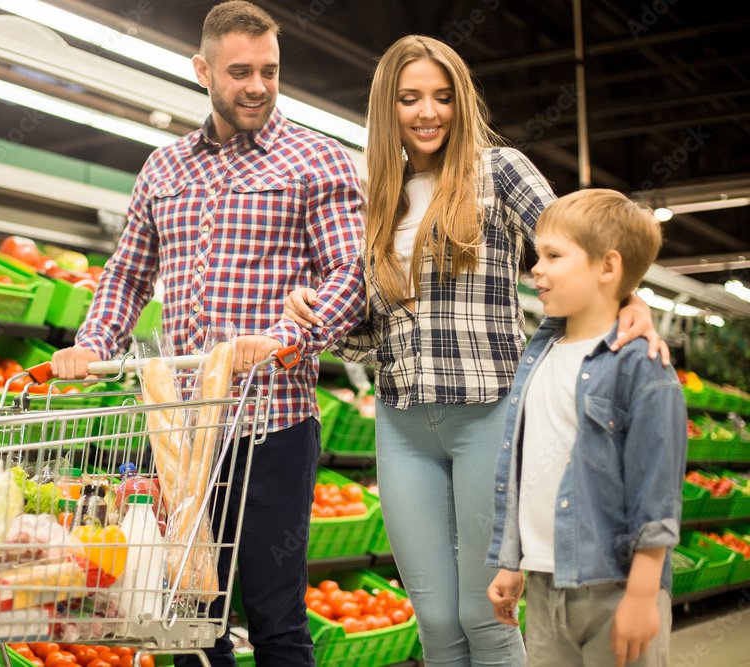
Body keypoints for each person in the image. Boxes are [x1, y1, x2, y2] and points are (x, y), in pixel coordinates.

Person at [282, 35, 664, 666]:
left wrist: (629, 297)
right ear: (389, 108)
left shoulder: (500, 170)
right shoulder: (380, 194)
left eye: (441, 97)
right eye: (409, 99)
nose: (427, 112)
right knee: (433, 616)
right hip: (403, 424)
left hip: (489, 414)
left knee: (483, 613)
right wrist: (313, 320)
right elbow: (376, 334)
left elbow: (576, 242)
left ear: (461, 102)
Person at [52, 2, 366, 664]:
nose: (256, 86)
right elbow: (127, 274)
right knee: (194, 615)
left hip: (271, 425)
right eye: (240, 71)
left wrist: (290, 338)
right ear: (203, 70)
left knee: (276, 613)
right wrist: (92, 343)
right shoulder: (164, 168)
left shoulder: (317, 161)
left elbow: (351, 273)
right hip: (182, 434)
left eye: (269, 72)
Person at [485, 189, 685, 667]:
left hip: (615, 584)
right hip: (545, 586)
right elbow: (524, 465)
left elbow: (656, 491)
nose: (537, 268)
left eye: (554, 255)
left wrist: (642, 592)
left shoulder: (643, 368)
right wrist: (511, 561)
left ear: (608, 267)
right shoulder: (540, 354)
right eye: (537, 255)